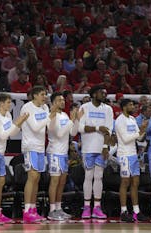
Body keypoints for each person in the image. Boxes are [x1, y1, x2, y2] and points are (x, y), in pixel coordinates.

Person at [0, 93, 29, 224]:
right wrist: (17, 123)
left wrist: (19, 124)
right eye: (8, 102)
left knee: (1, 182)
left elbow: (12, 134)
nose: (10, 104)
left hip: (0, 153)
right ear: (1, 103)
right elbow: (3, 135)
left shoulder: (8, 115)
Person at [20, 86, 57, 223]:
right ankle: (27, 211)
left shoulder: (45, 108)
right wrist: (49, 116)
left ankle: (33, 209)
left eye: (45, 94)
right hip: (30, 146)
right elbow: (35, 127)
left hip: (41, 146)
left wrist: (51, 116)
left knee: (37, 178)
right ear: (34, 95)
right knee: (32, 176)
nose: (45, 97)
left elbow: (49, 127)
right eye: (42, 94)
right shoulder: (27, 108)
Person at [78, 85, 113, 219]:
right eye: (101, 92)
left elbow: (109, 129)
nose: (104, 94)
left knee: (98, 177)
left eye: (105, 92)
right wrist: (98, 127)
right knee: (88, 176)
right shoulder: (84, 107)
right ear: (93, 94)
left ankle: (97, 207)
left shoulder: (108, 109)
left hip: (101, 148)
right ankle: (86, 207)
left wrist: (105, 146)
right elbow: (80, 127)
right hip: (88, 147)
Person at [47, 92, 82, 221]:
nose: (62, 102)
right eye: (59, 100)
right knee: (55, 181)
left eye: (63, 100)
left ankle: (58, 208)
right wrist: (72, 120)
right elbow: (60, 133)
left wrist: (76, 119)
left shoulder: (64, 115)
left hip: (63, 153)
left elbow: (72, 132)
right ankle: (52, 210)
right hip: (54, 152)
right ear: (53, 102)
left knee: (62, 182)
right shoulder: (51, 116)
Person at [115, 99, 149, 222]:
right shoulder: (119, 120)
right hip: (124, 155)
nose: (133, 107)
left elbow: (138, 137)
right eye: (130, 105)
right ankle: (123, 211)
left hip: (133, 154)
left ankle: (136, 211)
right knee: (125, 183)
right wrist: (139, 131)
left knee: (135, 182)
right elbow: (125, 139)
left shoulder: (132, 119)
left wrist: (143, 130)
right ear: (124, 107)